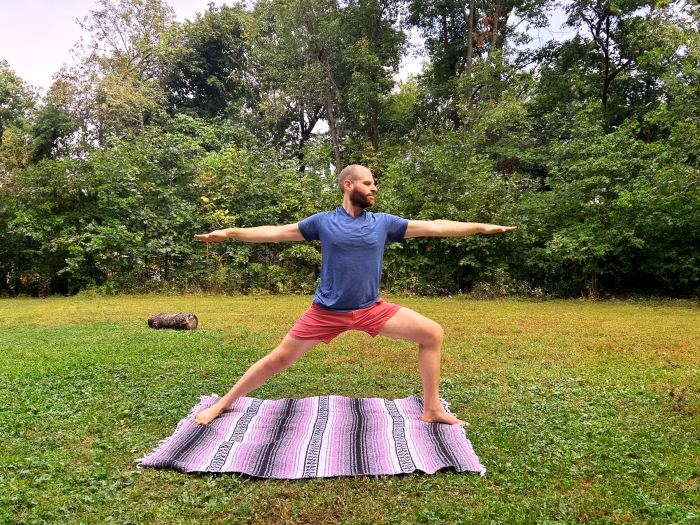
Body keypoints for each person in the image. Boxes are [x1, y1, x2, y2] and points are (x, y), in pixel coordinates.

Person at [193, 164, 516, 426]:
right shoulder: (323, 222)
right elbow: (275, 232)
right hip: (326, 312)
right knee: (278, 359)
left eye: (374, 183)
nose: (374, 188)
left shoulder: (384, 224)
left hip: (370, 308)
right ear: (349, 185)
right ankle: (223, 404)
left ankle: (432, 409)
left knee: (432, 333)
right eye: (368, 182)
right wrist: (229, 233)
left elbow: (435, 225)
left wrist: (479, 227)